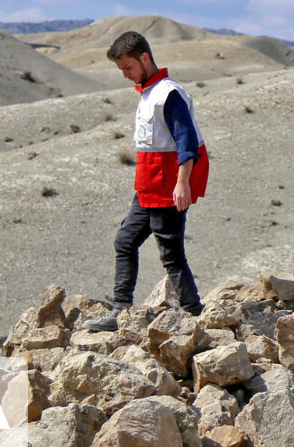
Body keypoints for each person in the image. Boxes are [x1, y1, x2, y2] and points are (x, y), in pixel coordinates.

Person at [85, 31, 208, 331]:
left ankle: (195, 314)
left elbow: (186, 141)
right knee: (125, 241)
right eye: (121, 70)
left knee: (171, 255)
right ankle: (120, 310)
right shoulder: (147, 93)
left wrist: (182, 183)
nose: (125, 75)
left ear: (144, 58)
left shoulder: (168, 93)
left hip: (167, 188)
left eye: (128, 68)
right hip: (147, 187)